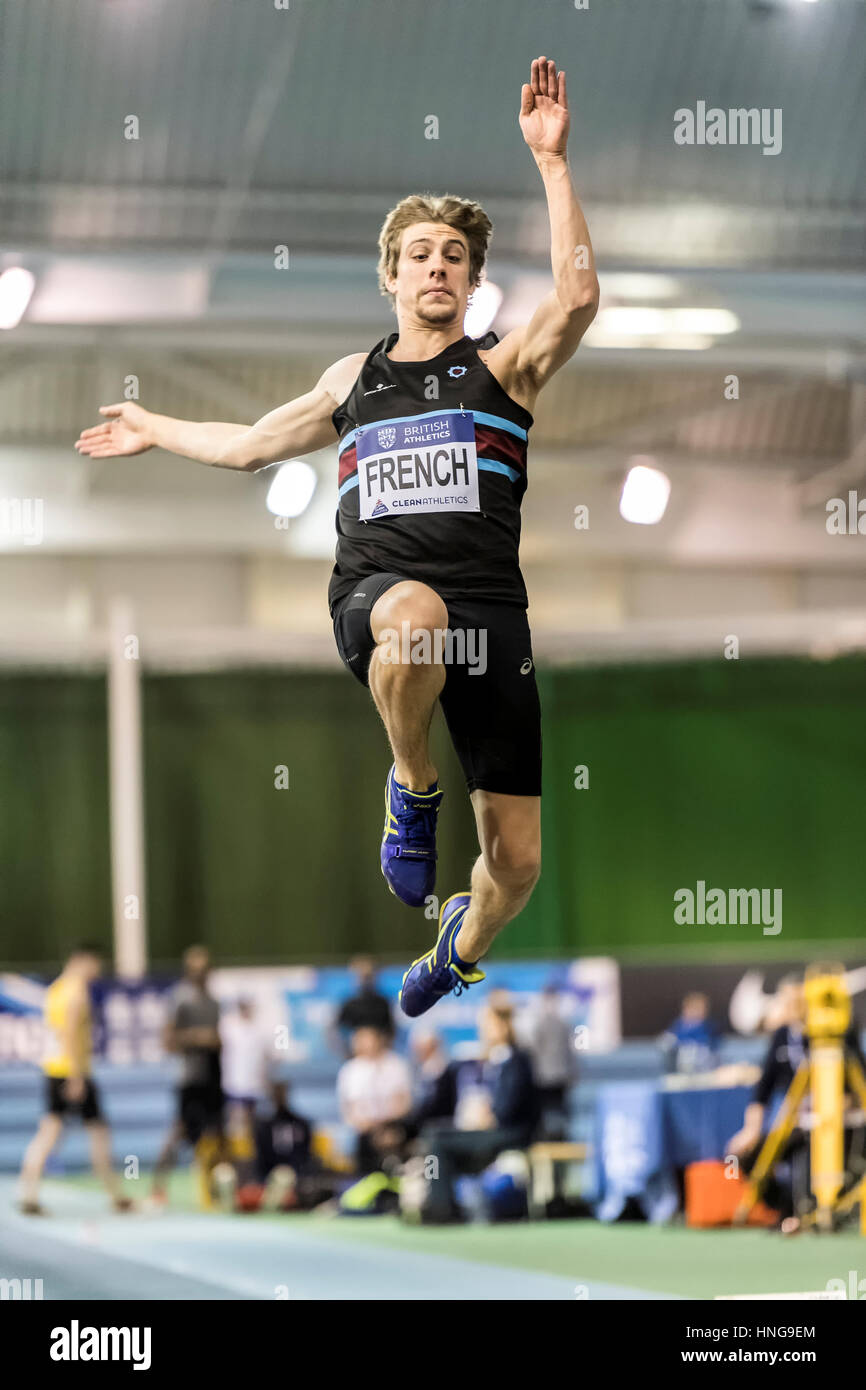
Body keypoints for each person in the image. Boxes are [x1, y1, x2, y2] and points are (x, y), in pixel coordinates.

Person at [75, 56, 598, 1017]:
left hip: (494, 617)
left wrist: (553, 165)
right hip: (380, 595)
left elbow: (575, 302)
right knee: (414, 615)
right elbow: (247, 447)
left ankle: (455, 947)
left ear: (474, 283)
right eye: (420, 254)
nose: (437, 266)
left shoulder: (505, 370)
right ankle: (411, 788)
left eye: (454, 256)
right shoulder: (351, 381)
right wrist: (156, 427)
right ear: (392, 275)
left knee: (515, 863)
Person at [726, 976, 866, 1228]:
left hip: (835, 1122)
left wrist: (834, 1104)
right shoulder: (782, 1037)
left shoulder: (839, 1032)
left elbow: (859, 1085)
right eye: (786, 1001)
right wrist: (751, 1129)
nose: (792, 1007)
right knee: (745, 1155)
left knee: (815, 1153)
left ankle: (817, 1211)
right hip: (794, 1119)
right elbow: (763, 1089)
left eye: (797, 1000)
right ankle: (785, 1210)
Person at [18, 945, 133, 1215]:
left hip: (54, 1069)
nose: (97, 971)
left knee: (50, 1132)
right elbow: (70, 1033)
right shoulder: (75, 991)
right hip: (73, 1072)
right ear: (83, 961)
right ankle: (115, 1194)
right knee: (97, 1132)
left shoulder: (55, 989)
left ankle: (29, 1192)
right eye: (96, 964)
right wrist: (77, 1076)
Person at [419, 998, 539, 1223]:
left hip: (511, 1132)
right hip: (493, 1129)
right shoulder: (493, 1061)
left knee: (436, 1141)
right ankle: (441, 1199)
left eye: (488, 1023)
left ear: (502, 1026)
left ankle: (440, 1206)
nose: (483, 1030)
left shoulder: (516, 1060)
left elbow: (506, 1109)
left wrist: (487, 1114)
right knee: (434, 1134)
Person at [151, 944, 225, 1201]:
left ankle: (214, 1190)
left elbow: (219, 1039)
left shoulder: (214, 1002)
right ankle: (158, 1186)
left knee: (217, 1132)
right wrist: (198, 1038)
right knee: (180, 1130)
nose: (202, 973)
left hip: (213, 1074)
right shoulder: (180, 998)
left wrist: (216, 1042)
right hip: (189, 1075)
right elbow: (168, 1039)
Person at [336, 1025, 413, 1174]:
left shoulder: (396, 1065)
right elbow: (348, 1110)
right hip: (365, 1133)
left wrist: (385, 1124)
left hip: (393, 1127)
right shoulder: (350, 1070)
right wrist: (368, 1126)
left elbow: (404, 1103)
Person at [522, 983, 576, 1138]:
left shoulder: (563, 1024)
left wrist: (572, 1072)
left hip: (560, 1076)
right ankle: (547, 1137)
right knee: (544, 1112)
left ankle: (561, 1137)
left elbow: (569, 1050)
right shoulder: (539, 1024)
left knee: (560, 1110)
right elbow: (534, 1050)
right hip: (543, 1077)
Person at [333, 957, 395, 1052]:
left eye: (369, 976)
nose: (366, 980)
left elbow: (390, 1029)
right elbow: (337, 1030)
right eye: (362, 976)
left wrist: (380, 1044)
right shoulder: (350, 1003)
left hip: (380, 1053)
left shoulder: (383, 1003)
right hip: (357, 1052)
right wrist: (348, 1049)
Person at [658, 991, 722, 1075]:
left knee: (693, 1052)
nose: (696, 1013)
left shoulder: (708, 1026)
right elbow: (674, 1037)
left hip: (702, 1060)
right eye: (693, 1009)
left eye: (700, 1009)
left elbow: (711, 1042)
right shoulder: (680, 1024)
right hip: (681, 1057)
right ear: (685, 1010)